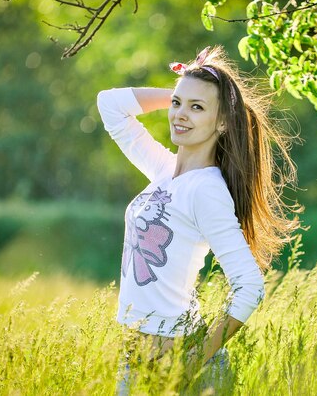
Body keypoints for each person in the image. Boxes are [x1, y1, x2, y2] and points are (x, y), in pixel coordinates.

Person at [96, 46, 301, 393]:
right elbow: (110, 105)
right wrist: (186, 92)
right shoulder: (163, 171)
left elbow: (249, 287)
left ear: (222, 121)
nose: (180, 115)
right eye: (177, 105)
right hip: (135, 357)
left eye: (197, 108)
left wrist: (193, 362)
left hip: (178, 359)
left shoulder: (206, 190)